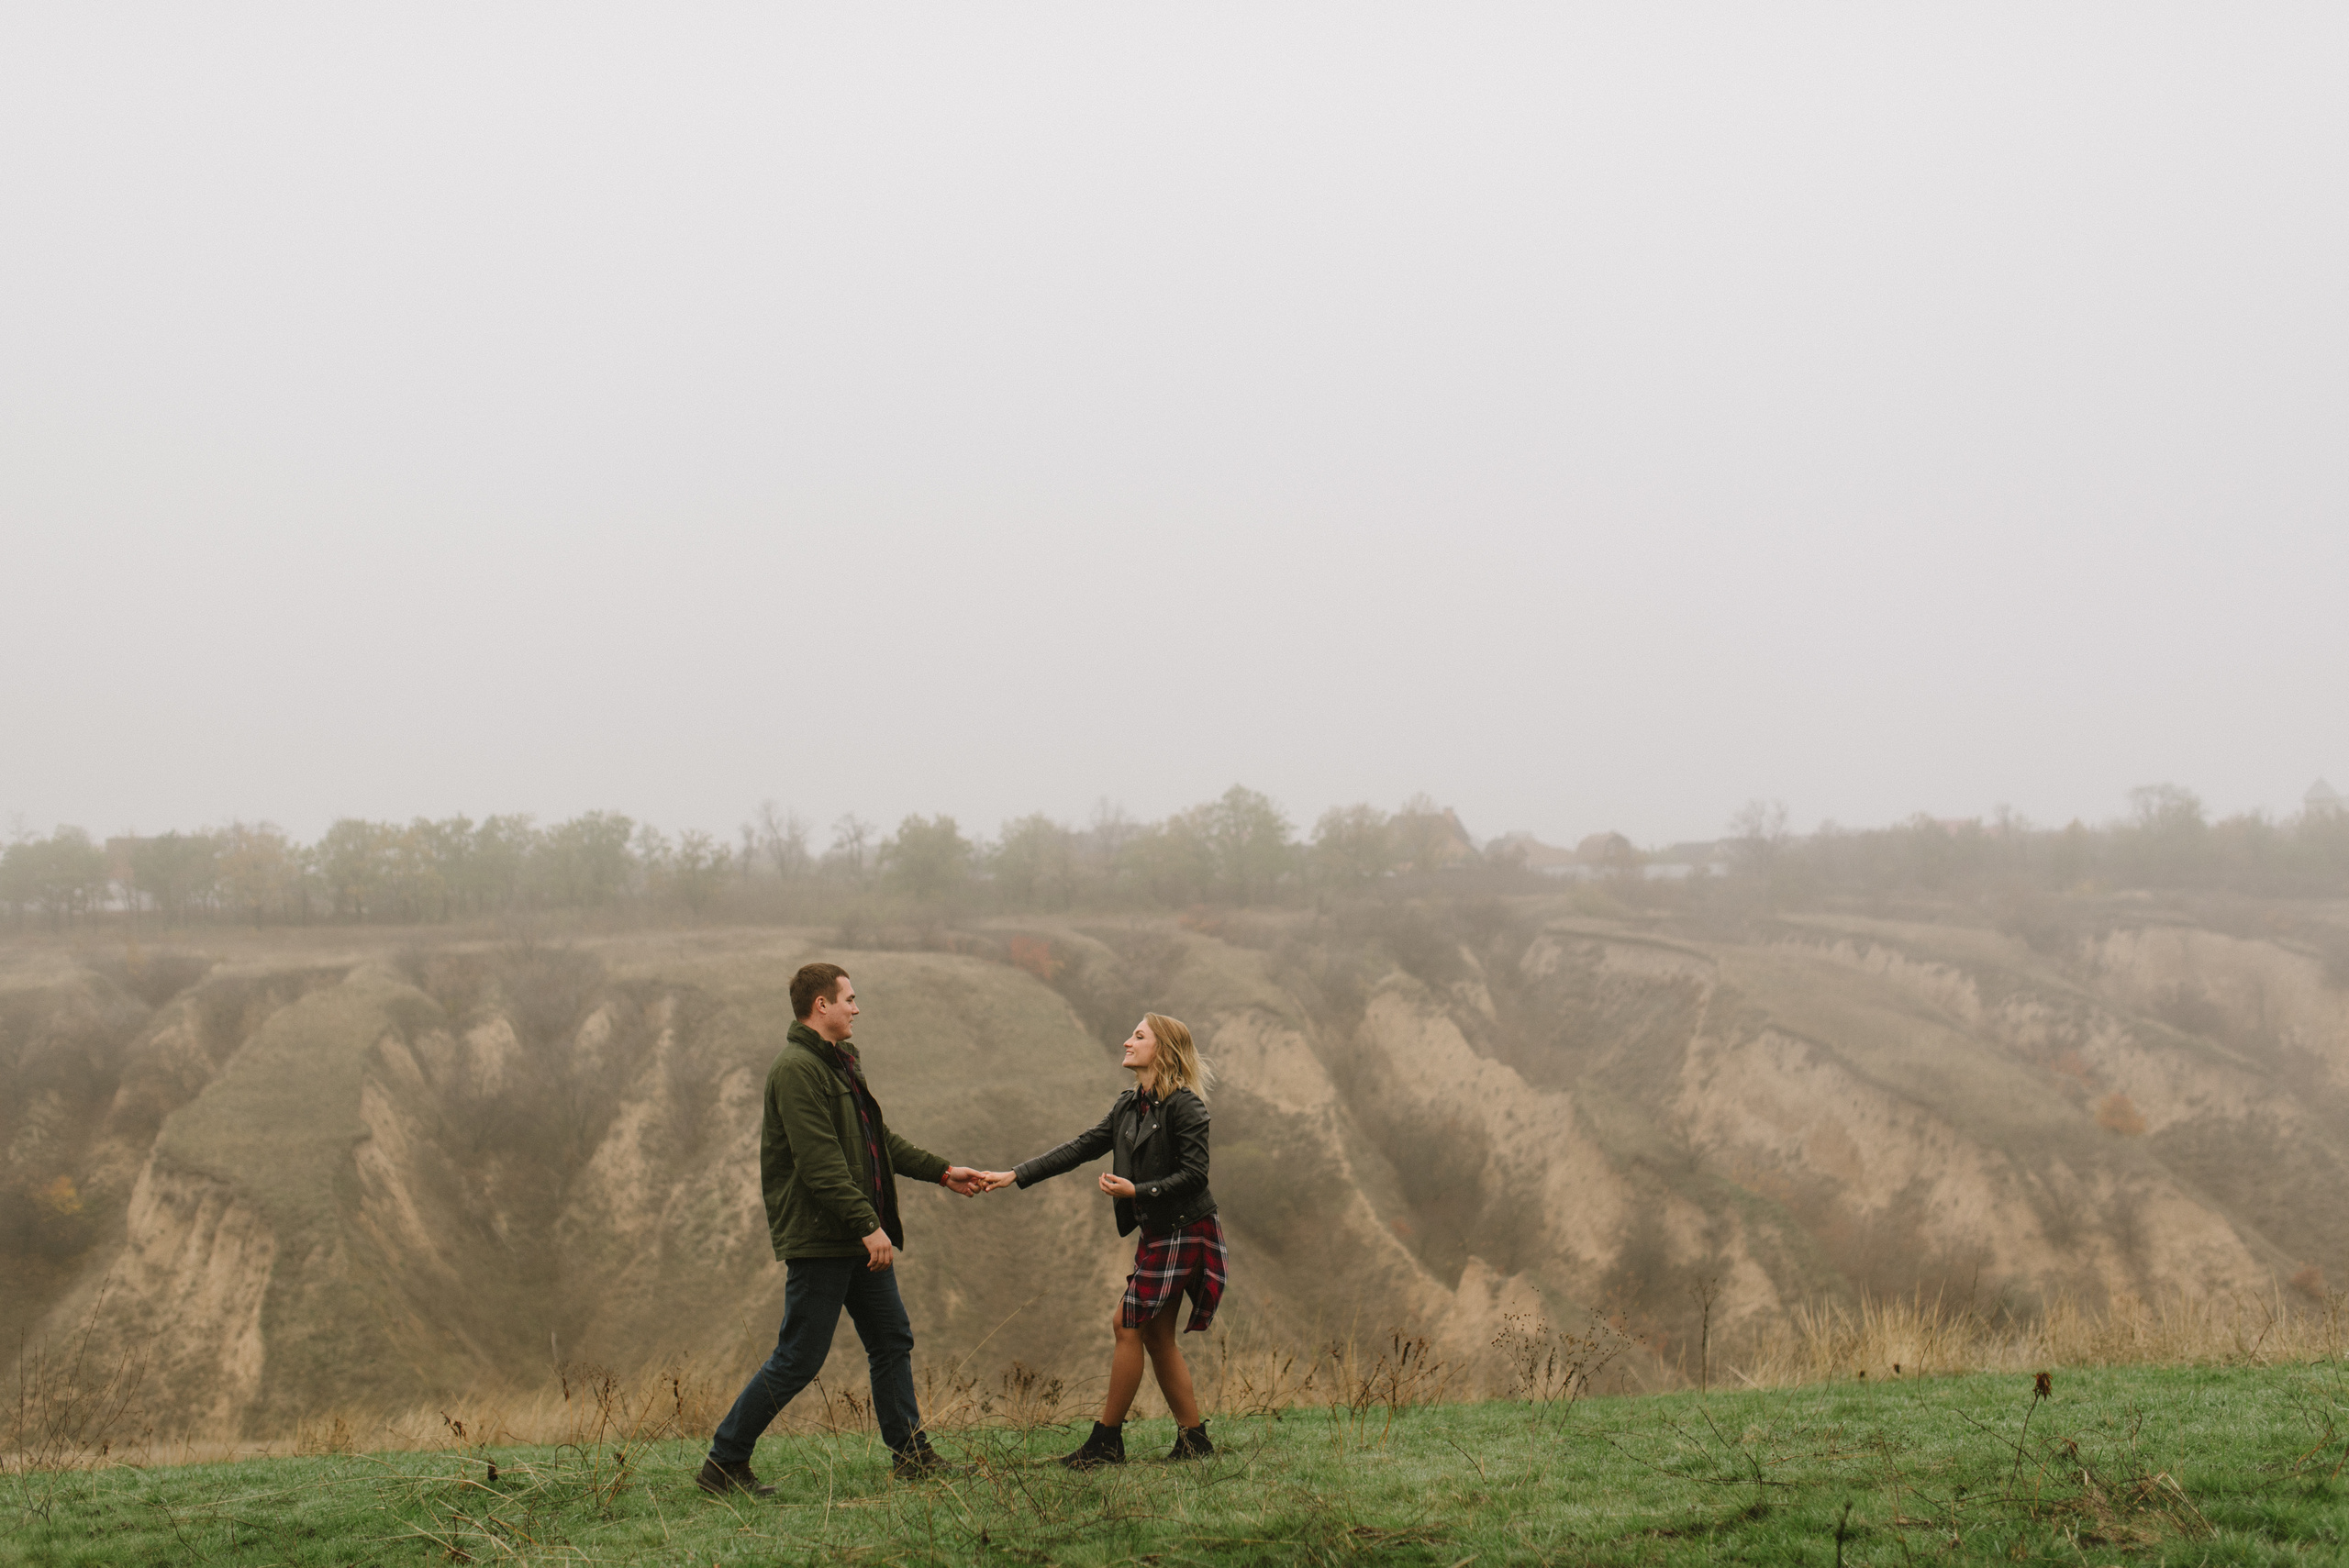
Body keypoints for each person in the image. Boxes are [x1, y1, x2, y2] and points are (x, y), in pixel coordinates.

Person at [697, 962, 989, 1496]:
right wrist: (868, 1224)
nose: (857, 1007)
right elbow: (819, 1163)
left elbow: (876, 1139)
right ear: (820, 1006)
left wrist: (944, 1172)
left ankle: (913, 1457)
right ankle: (723, 1463)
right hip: (823, 1237)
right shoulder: (796, 1070)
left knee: (890, 1339)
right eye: (849, 998)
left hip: (854, 1236)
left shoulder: (840, 1063)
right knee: (800, 1357)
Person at [977, 1012, 1224, 1468]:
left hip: (1185, 1229)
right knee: (1154, 1335)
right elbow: (1080, 1146)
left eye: (1138, 1036)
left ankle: (1107, 1442)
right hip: (1158, 1232)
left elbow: (1195, 1175)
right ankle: (1195, 1442)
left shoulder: (1185, 1106)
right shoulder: (1129, 1107)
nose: (1126, 1041)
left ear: (1163, 1050)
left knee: (1126, 1324)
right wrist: (1015, 1174)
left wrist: (1139, 1190)